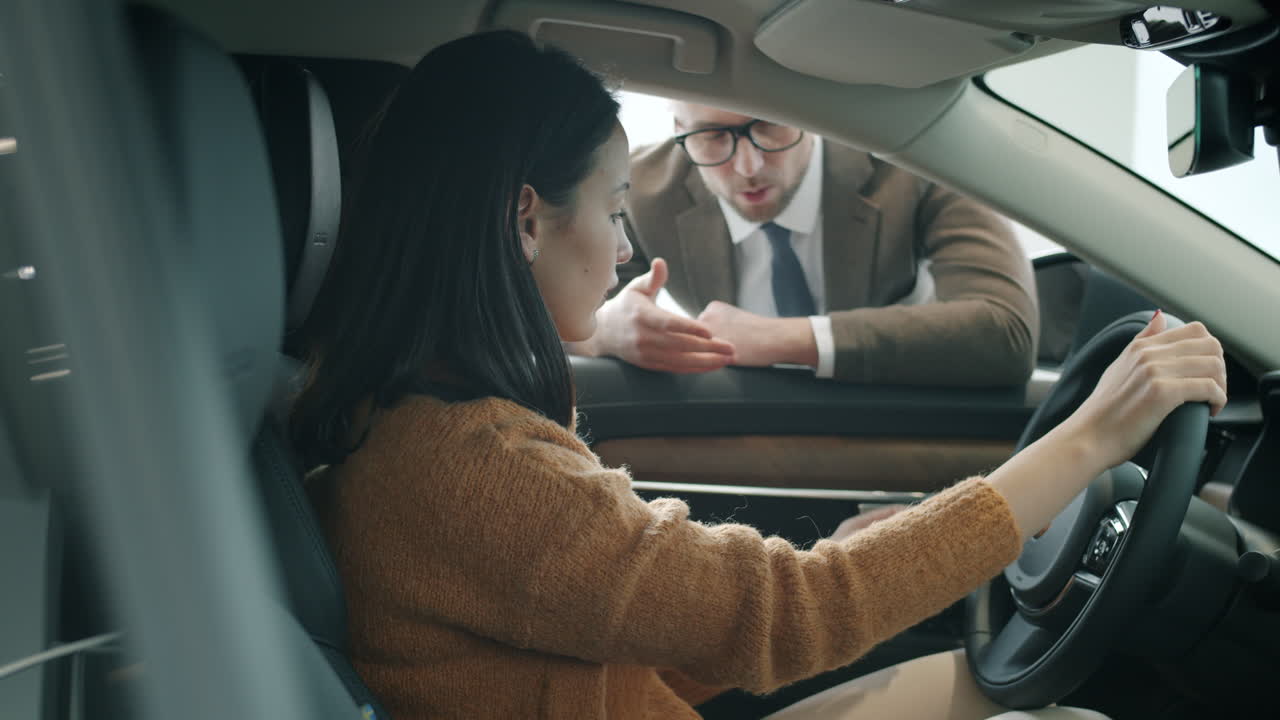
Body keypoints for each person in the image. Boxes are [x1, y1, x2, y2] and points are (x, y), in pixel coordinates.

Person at [291, 30, 1227, 720]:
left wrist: (866, 552)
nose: (625, 247)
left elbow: (609, 633)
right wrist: (1091, 439)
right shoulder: (475, 469)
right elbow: (791, 616)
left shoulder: (416, 424)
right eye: (613, 211)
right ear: (525, 219)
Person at [566, 103, 1039, 386]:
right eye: (712, 136)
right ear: (678, 130)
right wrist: (605, 331)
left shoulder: (915, 166)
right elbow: (541, 321)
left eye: (769, 124)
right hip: (741, 440)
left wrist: (787, 339)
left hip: (897, 427)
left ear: (810, 114)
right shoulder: (641, 188)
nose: (748, 167)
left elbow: (1006, 331)